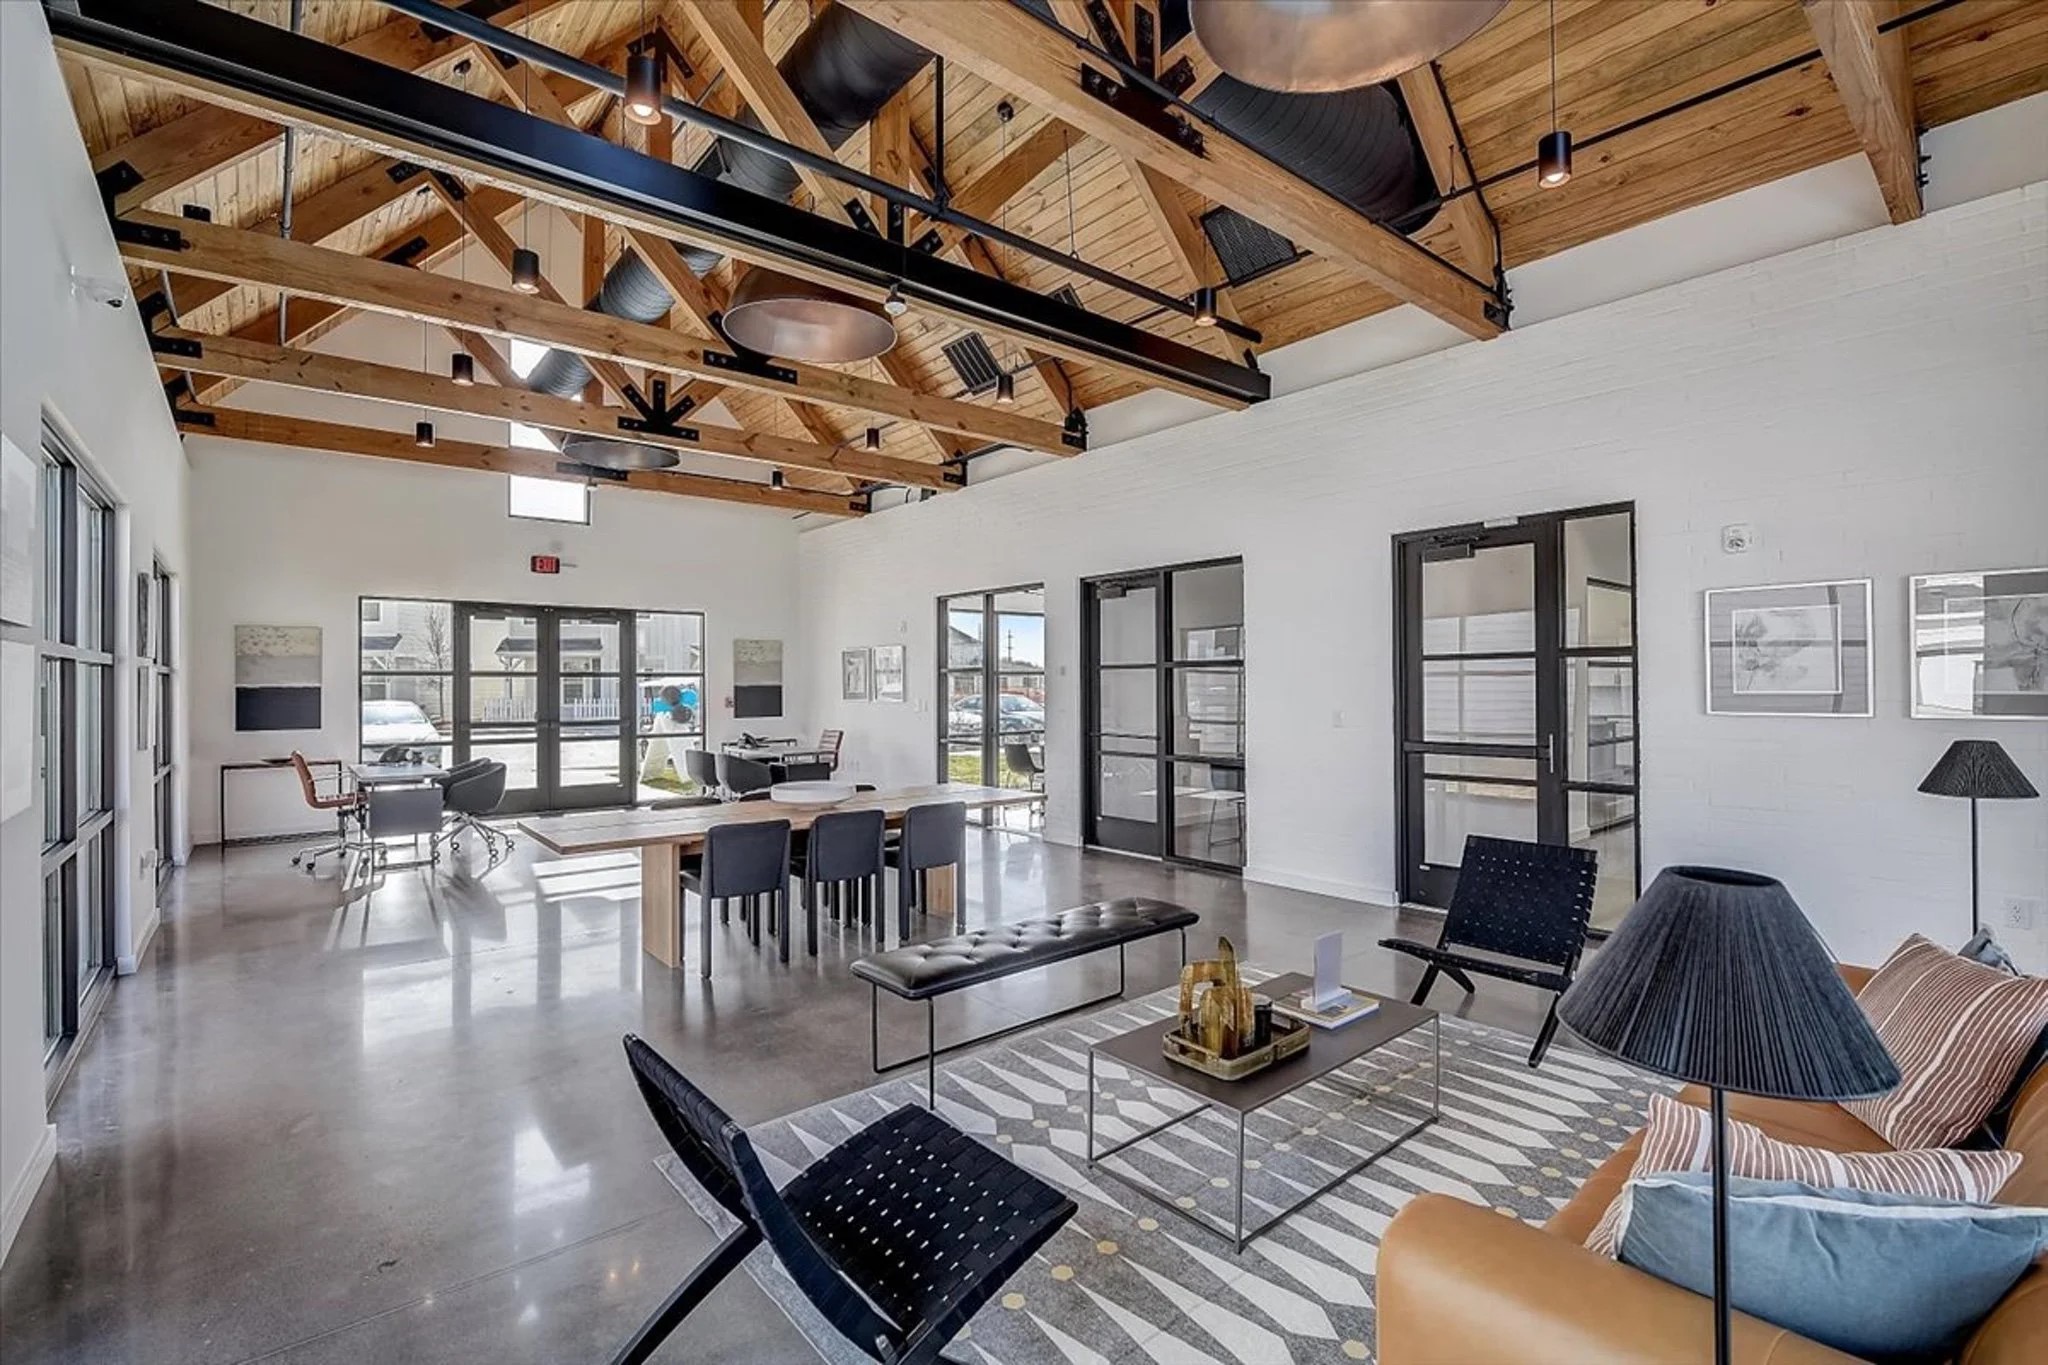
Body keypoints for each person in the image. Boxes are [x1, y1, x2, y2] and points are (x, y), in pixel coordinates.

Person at [639, 685, 685, 784]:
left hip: (674, 719)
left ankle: (652, 772)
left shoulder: (666, 713)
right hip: (673, 719)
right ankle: (652, 771)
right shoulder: (664, 713)